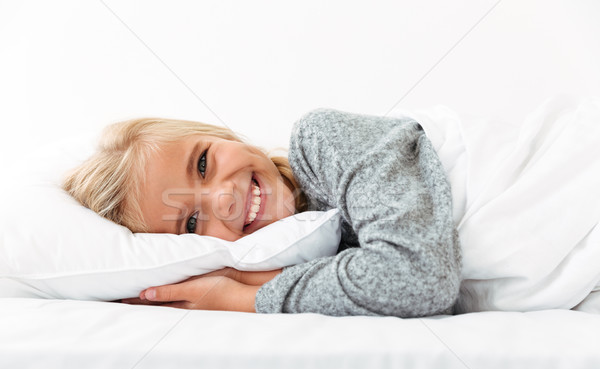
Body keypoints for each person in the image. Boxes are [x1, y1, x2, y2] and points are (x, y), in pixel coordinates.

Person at [63, 109, 462, 317]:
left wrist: (241, 293)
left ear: (222, 135)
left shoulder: (320, 139)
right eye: (190, 223)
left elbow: (420, 278)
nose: (223, 199)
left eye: (203, 164)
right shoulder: (315, 250)